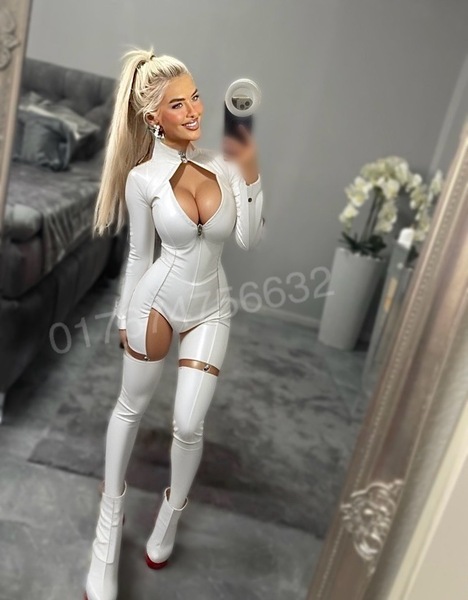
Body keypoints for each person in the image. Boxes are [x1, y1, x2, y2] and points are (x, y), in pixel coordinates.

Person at [84, 47, 265, 600]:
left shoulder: (225, 165)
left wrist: (251, 170)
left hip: (211, 306)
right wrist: (124, 314)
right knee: (130, 406)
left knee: (189, 424)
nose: (194, 111)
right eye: (178, 104)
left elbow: (248, 238)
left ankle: (171, 514)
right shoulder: (142, 179)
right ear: (153, 117)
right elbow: (140, 255)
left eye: (196, 98)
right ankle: (107, 531)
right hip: (156, 304)